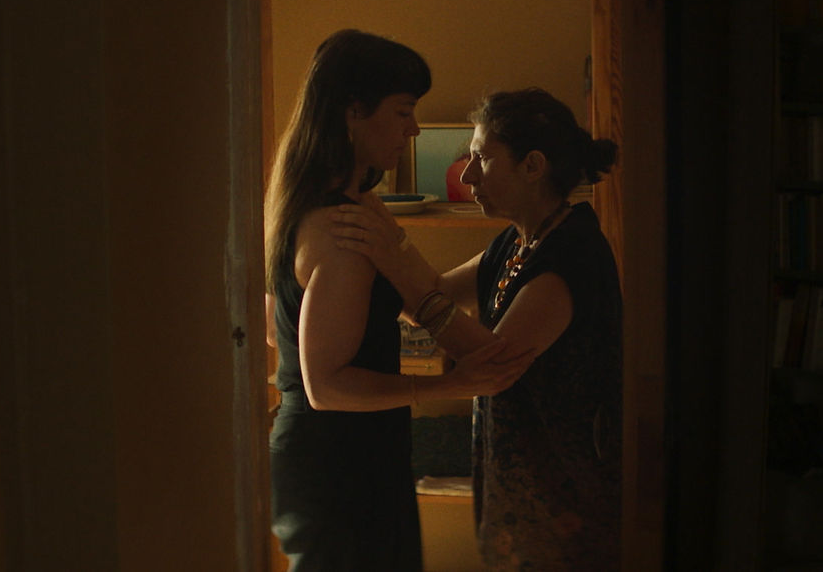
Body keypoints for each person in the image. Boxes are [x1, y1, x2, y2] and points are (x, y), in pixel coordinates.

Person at [263, 29, 537, 572]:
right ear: (353, 112)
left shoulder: (348, 203)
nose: (413, 129)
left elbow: (279, 331)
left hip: (351, 452)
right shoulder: (342, 231)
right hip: (338, 464)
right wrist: (447, 385)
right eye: (404, 111)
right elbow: (325, 386)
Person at [330, 87, 623, 570]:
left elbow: (492, 365)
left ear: (533, 166)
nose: (466, 175)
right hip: (522, 486)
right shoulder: (518, 241)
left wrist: (392, 257)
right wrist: (376, 226)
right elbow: (433, 293)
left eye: (481, 159)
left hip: (562, 499)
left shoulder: (571, 254)